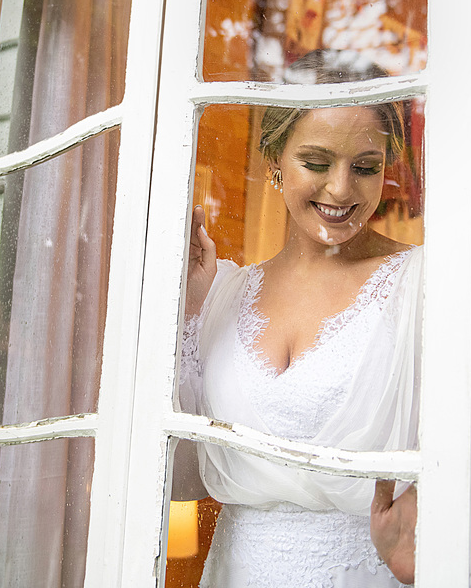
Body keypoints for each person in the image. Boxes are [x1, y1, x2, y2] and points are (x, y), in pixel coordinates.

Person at [176, 56, 421, 587]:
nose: (341, 190)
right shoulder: (222, 291)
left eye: (365, 167)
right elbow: (180, 474)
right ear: (275, 159)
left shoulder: (421, 284)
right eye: (316, 161)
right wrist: (191, 311)